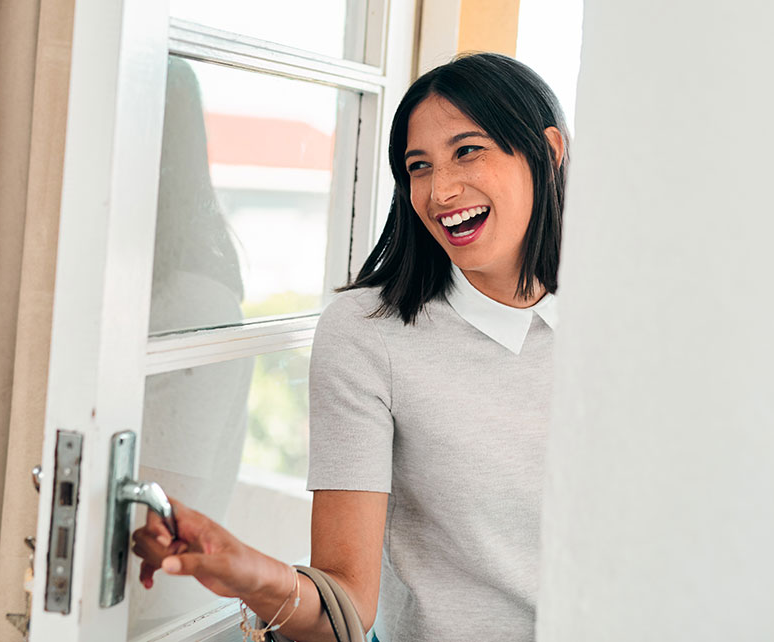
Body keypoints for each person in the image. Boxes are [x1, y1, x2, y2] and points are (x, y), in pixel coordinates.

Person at [133, 52, 569, 642]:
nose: (440, 190)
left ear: (548, 151)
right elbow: (347, 606)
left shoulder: (625, 325)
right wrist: (253, 574)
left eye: (468, 151)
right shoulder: (369, 333)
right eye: (419, 166)